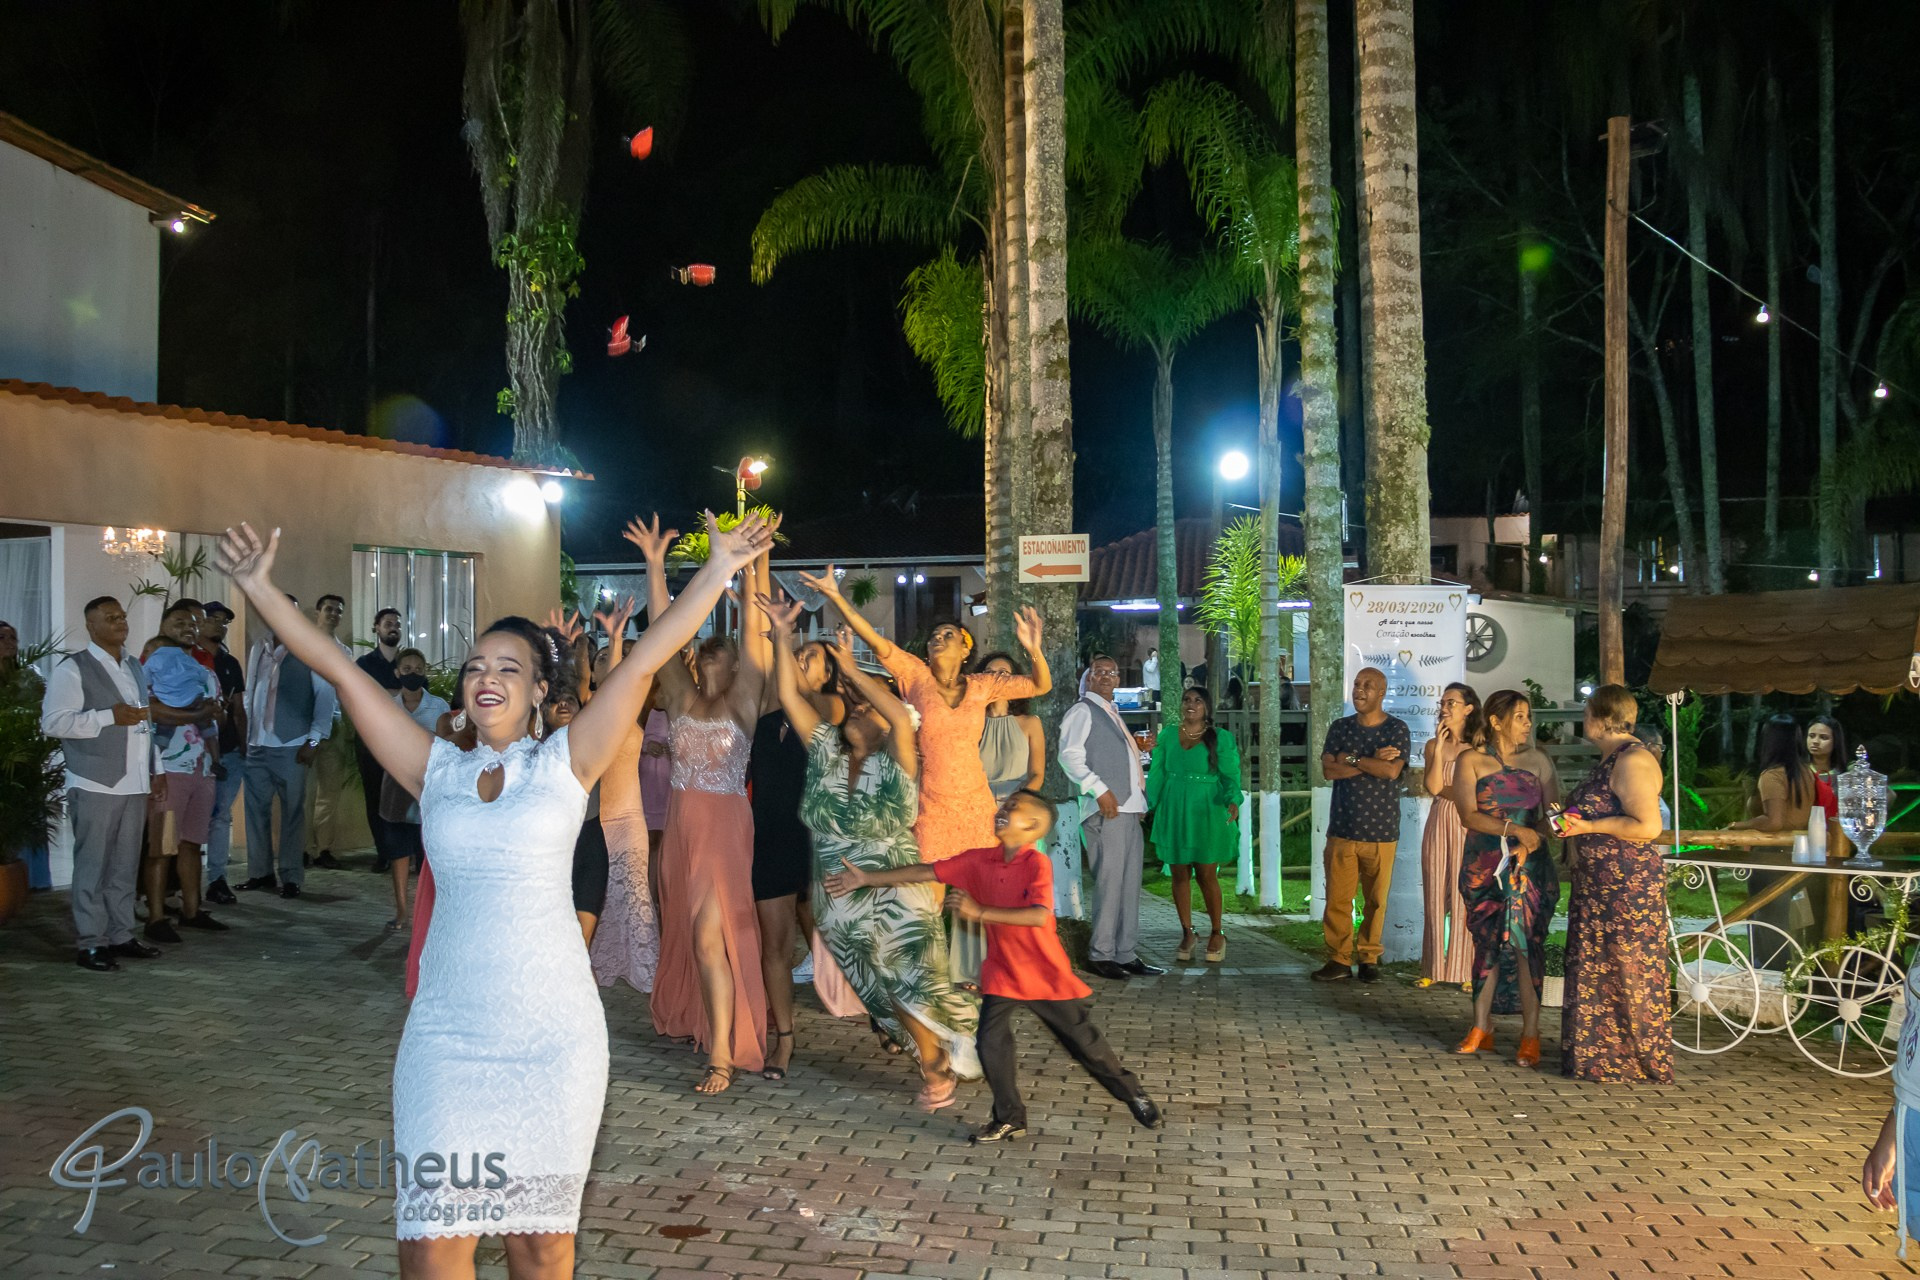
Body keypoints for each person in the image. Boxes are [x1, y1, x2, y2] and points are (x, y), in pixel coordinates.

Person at [214, 512, 768, 1279]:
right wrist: (258, 591)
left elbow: (644, 662)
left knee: (540, 1252)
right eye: (475, 667)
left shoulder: (567, 762)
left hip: (553, 1041)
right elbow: (342, 670)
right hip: (446, 1041)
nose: (486, 678)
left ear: (542, 691)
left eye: (508, 668)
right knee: (432, 1252)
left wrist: (720, 568)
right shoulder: (431, 767)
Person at [824, 790, 1161, 1142]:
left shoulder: (1036, 863)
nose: (1004, 810)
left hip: (1044, 974)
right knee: (990, 1043)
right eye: (1005, 805)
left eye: (1014, 808)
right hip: (1002, 971)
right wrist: (866, 878)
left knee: (1085, 1046)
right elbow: (927, 871)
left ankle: (1131, 1092)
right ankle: (1010, 1118)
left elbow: (1038, 915)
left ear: (1032, 826)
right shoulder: (979, 860)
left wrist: (979, 911)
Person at [762, 596, 979, 1107]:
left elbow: (893, 712)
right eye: (855, 708)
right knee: (877, 985)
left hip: (896, 876)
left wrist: (847, 667)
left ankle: (937, 1059)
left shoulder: (899, 752)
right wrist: (780, 636)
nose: (858, 710)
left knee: (910, 972)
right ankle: (937, 1051)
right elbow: (791, 696)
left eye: (868, 708)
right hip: (836, 889)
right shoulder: (824, 753)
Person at [796, 566, 1050, 974]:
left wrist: (1034, 648)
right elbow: (874, 640)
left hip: (976, 808)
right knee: (924, 905)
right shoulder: (914, 675)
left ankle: (994, 975)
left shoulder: (983, 685)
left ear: (965, 649)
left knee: (989, 898)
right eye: (935, 636)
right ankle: (922, 982)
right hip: (932, 805)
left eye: (949, 634)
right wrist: (836, 596)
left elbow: (1039, 686)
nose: (938, 638)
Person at [630, 515, 773, 1093]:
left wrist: (757, 559)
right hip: (685, 827)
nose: (709, 654)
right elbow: (666, 629)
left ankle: (721, 1054)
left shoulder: (744, 699)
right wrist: (655, 563)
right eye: (703, 650)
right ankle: (703, 1024)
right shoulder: (682, 695)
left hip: (724, 828)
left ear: (734, 663)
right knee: (690, 935)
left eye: (720, 650)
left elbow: (756, 626)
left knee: (712, 937)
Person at [743, 561, 843, 1080]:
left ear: (828, 674)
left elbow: (790, 692)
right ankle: (784, 1037)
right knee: (774, 947)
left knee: (844, 937)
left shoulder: (830, 709)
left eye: (812, 657)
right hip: (771, 839)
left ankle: (883, 1019)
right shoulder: (763, 712)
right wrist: (754, 564)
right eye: (799, 653)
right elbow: (763, 671)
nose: (803, 660)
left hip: (819, 841)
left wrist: (784, 636)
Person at [1557, 683, 1674, 1085]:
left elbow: (1648, 825)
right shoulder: (1608, 759)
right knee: (1600, 967)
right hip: (1598, 884)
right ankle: (1599, 1057)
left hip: (1626, 885)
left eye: (1587, 711)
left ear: (1603, 718)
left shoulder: (1633, 760)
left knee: (1627, 968)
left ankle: (1631, 1059)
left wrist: (1589, 825)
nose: (1583, 719)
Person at [42, 597, 166, 972]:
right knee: (93, 866)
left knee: (124, 866)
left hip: (134, 781)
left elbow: (145, 724)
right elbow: (53, 723)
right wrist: (107, 717)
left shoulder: (132, 665)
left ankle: (121, 934)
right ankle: (90, 942)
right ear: (91, 626)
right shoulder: (73, 669)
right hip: (95, 780)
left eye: (122, 616)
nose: (120, 622)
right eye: (110, 618)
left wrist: (156, 767)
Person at [1453, 689, 1559, 1067]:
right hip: (1485, 865)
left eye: (1529, 716)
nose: (1528, 723)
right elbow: (1468, 814)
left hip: (1528, 866)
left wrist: (1533, 841)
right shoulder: (1471, 761)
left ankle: (1531, 1033)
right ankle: (1482, 1026)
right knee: (1487, 942)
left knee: (1525, 945)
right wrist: (1513, 828)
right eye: (1520, 716)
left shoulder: (1540, 762)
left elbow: (1553, 816)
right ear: (1496, 721)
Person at [1059, 653, 1162, 982]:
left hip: (1128, 809)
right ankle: (1101, 953)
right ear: (1088, 678)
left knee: (1130, 886)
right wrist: (1098, 789)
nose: (1105, 676)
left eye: (1112, 672)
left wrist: (1139, 797)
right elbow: (1069, 757)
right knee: (1109, 884)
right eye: (1098, 672)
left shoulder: (1111, 712)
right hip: (1105, 809)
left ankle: (1125, 952)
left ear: (1119, 680)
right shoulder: (1082, 711)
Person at [1311, 667, 1410, 984]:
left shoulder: (1396, 729)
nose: (1359, 690)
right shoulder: (1340, 727)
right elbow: (1329, 770)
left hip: (1381, 832)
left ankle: (1369, 957)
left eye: (1367, 685)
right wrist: (1371, 762)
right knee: (1338, 901)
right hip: (1342, 829)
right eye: (1356, 684)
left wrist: (1351, 759)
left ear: (1382, 692)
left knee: (1376, 902)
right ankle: (1339, 958)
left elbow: (1391, 772)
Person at [139, 600, 227, 940]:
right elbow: (153, 713)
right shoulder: (151, 666)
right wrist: (197, 715)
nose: (188, 627)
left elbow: (214, 715)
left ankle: (192, 911)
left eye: (194, 622)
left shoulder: (203, 670)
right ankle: (156, 918)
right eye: (179, 621)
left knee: (192, 843)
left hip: (202, 769)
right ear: (163, 624)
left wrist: (214, 753)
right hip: (168, 769)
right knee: (162, 847)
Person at [240, 593, 338, 899]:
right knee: (256, 812)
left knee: (294, 813)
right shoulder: (260, 646)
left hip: (293, 744)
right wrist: (247, 733)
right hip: (257, 744)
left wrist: (314, 739)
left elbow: (325, 698)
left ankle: (292, 877)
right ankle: (260, 873)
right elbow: (250, 690)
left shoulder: (310, 647)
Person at [592, 618, 664, 997]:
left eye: (611, 658)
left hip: (630, 816)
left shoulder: (634, 708)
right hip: (597, 818)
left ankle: (645, 968)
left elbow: (622, 680)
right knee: (601, 896)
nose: (608, 663)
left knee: (635, 894)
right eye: (599, 658)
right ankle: (604, 961)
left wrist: (617, 639)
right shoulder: (589, 710)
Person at [1146, 686, 1241, 964]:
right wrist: (1148, 804)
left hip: (1206, 809)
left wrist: (1233, 800)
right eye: (1187, 699)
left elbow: (1230, 775)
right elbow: (1158, 772)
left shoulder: (1220, 739)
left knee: (1206, 873)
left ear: (1207, 707)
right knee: (1179, 873)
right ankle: (1187, 932)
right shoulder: (1167, 736)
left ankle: (1217, 932)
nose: (1191, 704)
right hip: (1175, 808)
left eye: (1198, 700)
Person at [970, 651, 1046, 984]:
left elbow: (1037, 773)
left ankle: (1020, 964)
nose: (998, 680)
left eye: (1005, 674)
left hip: (1016, 815)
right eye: (990, 673)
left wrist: (1013, 804)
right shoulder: (969, 722)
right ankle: (980, 965)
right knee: (981, 891)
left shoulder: (1030, 724)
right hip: (977, 810)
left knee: (1018, 893)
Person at [375, 647, 448, 930]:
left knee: (428, 854)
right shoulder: (388, 707)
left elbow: (445, 744)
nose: (412, 674)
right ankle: (402, 912)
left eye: (418, 668)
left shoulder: (439, 706)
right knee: (398, 851)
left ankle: (429, 914)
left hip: (430, 788)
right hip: (395, 787)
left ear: (425, 670)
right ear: (397, 672)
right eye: (406, 669)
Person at [1418, 682, 1482, 991]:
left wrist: (1457, 793)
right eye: (1443, 702)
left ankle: (1465, 969)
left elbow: (1475, 793)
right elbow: (1432, 787)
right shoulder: (1433, 746)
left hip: (1466, 824)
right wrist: (1441, 750)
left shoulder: (1479, 749)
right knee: (1433, 892)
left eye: (1452, 702)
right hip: (1438, 819)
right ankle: (1433, 966)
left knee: (1462, 895)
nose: (1445, 707)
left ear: (1468, 708)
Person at [197, 601, 248, 906]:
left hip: (229, 750)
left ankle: (216, 878)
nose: (219, 625)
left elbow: (239, 708)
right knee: (195, 816)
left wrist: (244, 746)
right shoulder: (189, 659)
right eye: (213, 619)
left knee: (220, 816)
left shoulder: (230, 663)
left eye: (224, 621)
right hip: (195, 751)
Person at [304, 592, 352, 869]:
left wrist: (348, 727)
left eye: (338, 610)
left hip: (334, 725)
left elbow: (347, 692)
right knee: (305, 793)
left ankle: (323, 848)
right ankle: (303, 849)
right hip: (306, 726)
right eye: (329, 609)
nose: (334, 614)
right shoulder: (303, 645)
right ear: (318, 613)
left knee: (329, 793)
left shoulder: (344, 652)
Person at [357, 607, 406, 878]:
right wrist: (395, 693)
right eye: (388, 623)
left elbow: (418, 694)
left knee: (400, 798)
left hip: (402, 743)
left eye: (397, 624)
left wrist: (384, 693)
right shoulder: (364, 664)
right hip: (370, 741)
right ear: (376, 628)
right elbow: (361, 695)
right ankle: (383, 854)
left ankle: (402, 851)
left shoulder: (408, 661)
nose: (394, 628)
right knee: (375, 798)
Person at [1731, 715, 1819, 834]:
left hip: (1773, 847)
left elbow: (1774, 822)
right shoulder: (1806, 771)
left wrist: (1736, 825)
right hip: (1800, 845)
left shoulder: (1772, 775)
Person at [1807, 714, 1849, 815]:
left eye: (1823, 737)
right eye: (1811, 736)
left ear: (1835, 741)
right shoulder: (1799, 771)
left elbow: (1889, 795)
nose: (1815, 742)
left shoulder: (1845, 775)